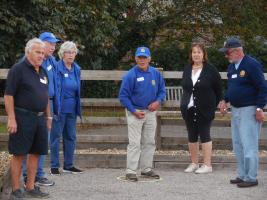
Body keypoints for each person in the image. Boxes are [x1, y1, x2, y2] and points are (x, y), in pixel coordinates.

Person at [5, 38, 51, 199]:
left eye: (43, 53)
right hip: (22, 116)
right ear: (28, 52)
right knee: (19, 153)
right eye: (38, 52)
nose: (41, 56)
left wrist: (49, 116)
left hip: (40, 119)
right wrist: (11, 118)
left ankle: (30, 186)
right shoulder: (18, 70)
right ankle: (16, 189)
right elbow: (8, 95)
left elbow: (45, 96)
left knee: (36, 152)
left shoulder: (43, 71)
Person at [219, 37, 267, 187]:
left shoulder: (252, 64)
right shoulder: (232, 67)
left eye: (227, 53)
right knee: (238, 144)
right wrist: (224, 100)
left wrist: (259, 108)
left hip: (250, 110)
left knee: (249, 144)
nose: (226, 56)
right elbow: (232, 88)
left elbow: (263, 87)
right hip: (236, 110)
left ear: (237, 51)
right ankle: (242, 174)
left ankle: (251, 177)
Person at [119, 46, 166, 181]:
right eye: (139, 57)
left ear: (149, 59)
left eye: (144, 57)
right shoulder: (130, 75)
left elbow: (162, 91)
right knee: (134, 143)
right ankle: (131, 171)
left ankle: (146, 169)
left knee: (149, 141)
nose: (142, 60)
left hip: (151, 112)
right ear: (135, 58)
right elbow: (123, 96)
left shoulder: (156, 74)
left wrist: (158, 102)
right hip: (135, 112)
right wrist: (134, 111)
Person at [22, 32, 60, 187]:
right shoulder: (29, 62)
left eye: (54, 44)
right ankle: (28, 176)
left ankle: (38, 174)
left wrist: (55, 106)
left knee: (43, 141)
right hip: (33, 105)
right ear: (41, 43)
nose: (53, 46)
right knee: (30, 141)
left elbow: (54, 84)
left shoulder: (52, 61)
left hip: (48, 104)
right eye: (50, 43)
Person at [180, 42, 222, 174]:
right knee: (191, 136)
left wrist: (219, 102)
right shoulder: (187, 68)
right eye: (194, 52)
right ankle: (194, 163)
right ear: (191, 55)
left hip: (205, 108)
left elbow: (218, 89)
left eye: (199, 52)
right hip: (189, 107)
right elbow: (185, 87)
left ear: (203, 54)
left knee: (205, 134)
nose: (196, 54)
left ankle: (207, 165)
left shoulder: (211, 69)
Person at [50, 41, 82, 175]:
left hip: (72, 108)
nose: (71, 55)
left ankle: (68, 165)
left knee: (71, 137)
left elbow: (77, 90)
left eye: (73, 52)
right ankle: (54, 166)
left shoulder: (77, 69)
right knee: (56, 136)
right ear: (62, 54)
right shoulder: (57, 68)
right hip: (59, 108)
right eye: (68, 52)